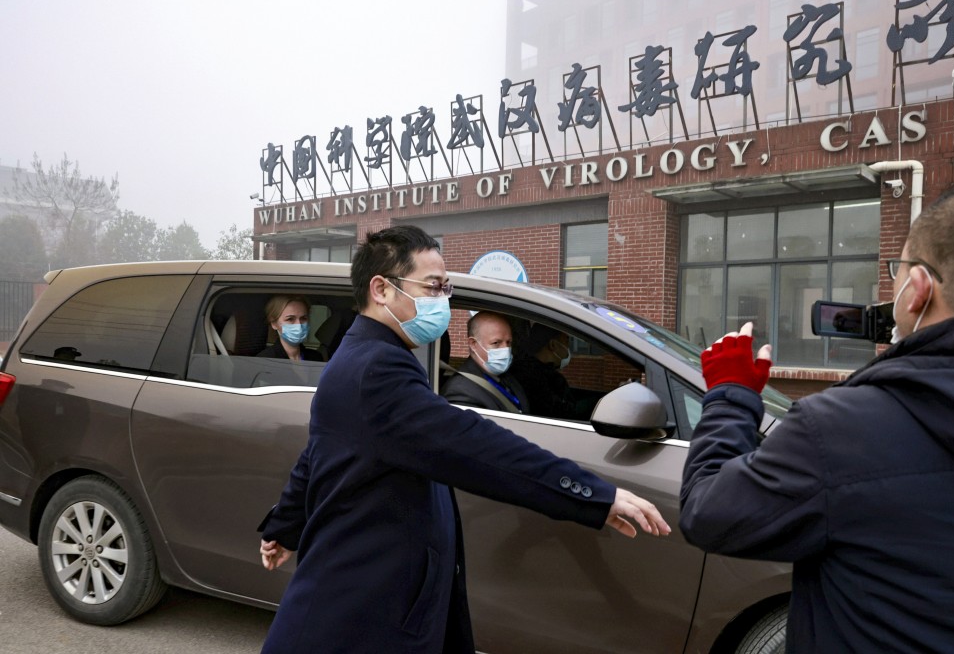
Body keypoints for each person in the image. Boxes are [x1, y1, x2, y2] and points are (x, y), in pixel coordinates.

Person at [258, 225, 670, 654]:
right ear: (381, 289)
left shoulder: (366, 354)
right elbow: (474, 444)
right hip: (365, 603)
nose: (443, 300)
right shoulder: (377, 369)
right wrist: (595, 495)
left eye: (445, 287)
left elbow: (318, 450)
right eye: (433, 287)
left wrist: (285, 526)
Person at [678, 180, 954, 652]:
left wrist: (729, 396)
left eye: (896, 271)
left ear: (918, 288)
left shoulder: (844, 430)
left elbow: (708, 513)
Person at [440, 311, 530, 413]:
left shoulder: (506, 376)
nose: (506, 349)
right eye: (496, 343)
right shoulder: (460, 392)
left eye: (508, 342)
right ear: (473, 344)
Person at [507, 323, 578, 419]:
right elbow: (564, 414)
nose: (568, 349)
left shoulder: (522, 368)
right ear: (553, 345)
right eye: (566, 342)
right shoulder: (544, 379)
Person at [256, 294, 323, 362]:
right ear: (274, 323)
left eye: (303, 318)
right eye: (290, 319)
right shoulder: (265, 359)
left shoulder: (316, 357)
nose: (298, 325)